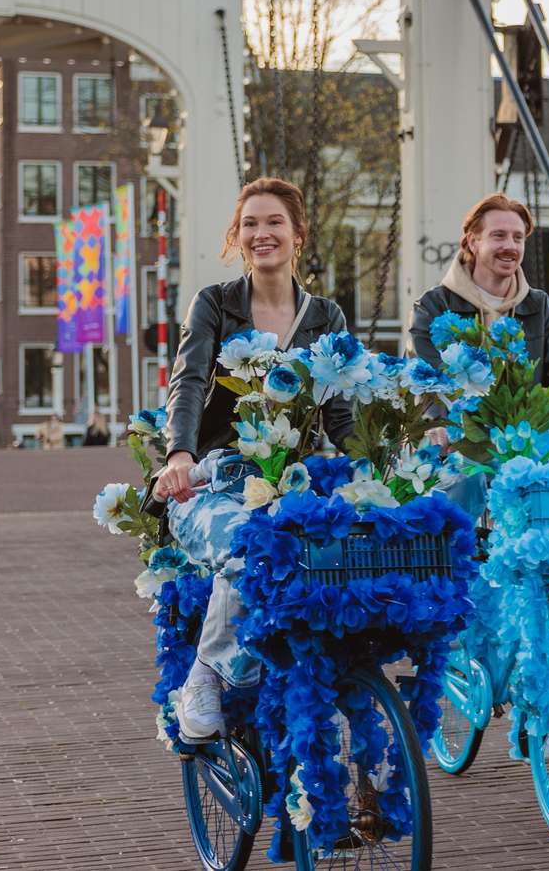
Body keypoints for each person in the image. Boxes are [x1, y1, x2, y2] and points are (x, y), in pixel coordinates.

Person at [153, 177, 358, 742]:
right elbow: (190, 381)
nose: (261, 233)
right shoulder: (215, 305)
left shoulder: (327, 319)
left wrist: (385, 467)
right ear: (237, 236)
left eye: (274, 223)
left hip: (291, 482)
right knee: (250, 546)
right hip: (214, 481)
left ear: (297, 236)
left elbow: (340, 415)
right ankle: (204, 673)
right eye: (250, 224)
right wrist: (180, 454)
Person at [408, 192, 549, 389]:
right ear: (473, 242)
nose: (510, 246)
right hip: (456, 420)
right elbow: (428, 391)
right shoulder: (432, 307)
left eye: (518, 238)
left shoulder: (542, 308)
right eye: (499, 235)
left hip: (527, 420)